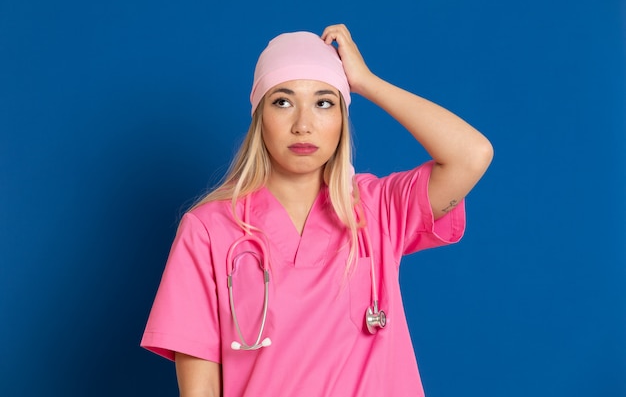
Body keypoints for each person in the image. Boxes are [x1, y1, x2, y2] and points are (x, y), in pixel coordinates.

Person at [141, 24, 493, 397]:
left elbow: (472, 155)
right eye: (283, 101)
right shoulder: (208, 230)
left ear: (342, 118)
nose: (303, 125)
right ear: (260, 116)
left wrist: (368, 83)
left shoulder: (379, 209)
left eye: (324, 102)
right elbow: (200, 391)